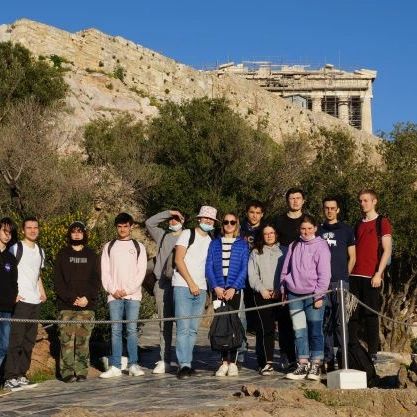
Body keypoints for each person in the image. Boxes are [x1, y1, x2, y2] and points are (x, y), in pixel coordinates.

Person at [280, 214, 331, 380]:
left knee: (315, 330)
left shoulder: (321, 246)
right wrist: (284, 287)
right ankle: (302, 363)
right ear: (299, 229)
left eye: (310, 228)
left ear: (315, 228)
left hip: (313, 295)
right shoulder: (294, 245)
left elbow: (324, 274)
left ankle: (316, 364)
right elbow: (285, 269)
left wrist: (319, 295)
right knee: (299, 331)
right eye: (303, 228)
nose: (306, 231)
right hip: (294, 294)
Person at [100, 212, 147, 379]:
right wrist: (113, 290)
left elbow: (141, 273)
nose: (122, 229)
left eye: (125, 226)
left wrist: (127, 290)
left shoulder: (138, 247)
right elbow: (105, 272)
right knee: (115, 330)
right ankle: (115, 366)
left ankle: (134, 364)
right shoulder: (109, 246)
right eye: (119, 226)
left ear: (131, 226)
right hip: (114, 296)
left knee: (132, 330)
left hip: (133, 296)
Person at [53, 221, 101, 383]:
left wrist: (87, 298)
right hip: (66, 307)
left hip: (86, 308)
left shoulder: (92, 255)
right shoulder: (62, 255)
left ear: (84, 234)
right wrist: (71, 299)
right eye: (73, 231)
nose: (77, 234)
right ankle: (67, 372)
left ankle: (81, 371)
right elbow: (58, 282)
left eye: (80, 231)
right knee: (67, 340)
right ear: (70, 234)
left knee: (82, 340)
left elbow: (96, 281)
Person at [173, 205, 217, 379]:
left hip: (202, 287)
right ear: (199, 219)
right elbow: (178, 259)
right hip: (184, 285)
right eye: (205, 218)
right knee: (183, 327)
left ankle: (188, 362)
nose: (208, 221)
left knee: (193, 329)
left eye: (211, 219)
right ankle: (182, 364)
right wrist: (191, 283)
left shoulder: (211, 239)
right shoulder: (187, 234)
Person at [4, 217, 47, 391]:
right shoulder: (16, 248)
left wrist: (42, 291)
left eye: (35, 227)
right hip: (21, 302)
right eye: (29, 228)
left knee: (29, 341)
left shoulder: (40, 251)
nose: (32, 230)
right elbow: (7, 273)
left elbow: (37, 274)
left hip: (35, 301)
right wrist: (12, 295)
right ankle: (10, 377)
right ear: (23, 230)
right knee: (16, 341)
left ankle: (21, 374)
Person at [349, 189, 392, 360]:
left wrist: (378, 273)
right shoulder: (358, 224)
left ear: (374, 201)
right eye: (360, 201)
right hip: (354, 275)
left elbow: (387, 250)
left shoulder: (382, 221)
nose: (362, 204)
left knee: (370, 315)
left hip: (371, 276)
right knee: (352, 314)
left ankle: (373, 351)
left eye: (366, 200)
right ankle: (351, 348)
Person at [206, 212, 249, 377]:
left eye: (232, 222)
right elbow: (209, 267)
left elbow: (244, 268)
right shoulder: (214, 244)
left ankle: (234, 361)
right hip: (218, 288)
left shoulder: (242, 245)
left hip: (235, 290)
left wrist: (234, 287)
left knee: (235, 324)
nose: (229, 225)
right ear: (222, 224)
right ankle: (224, 361)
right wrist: (216, 286)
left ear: (237, 224)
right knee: (221, 325)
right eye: (226, 222)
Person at [145, 209, 185, 374]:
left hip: (182, 284)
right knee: (164, 324)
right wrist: (168, 212)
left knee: (183, 324)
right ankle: (164, 359)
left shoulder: (188, 237)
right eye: (171, 219)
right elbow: (149, 223)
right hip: (163, 284)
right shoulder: (163, 236)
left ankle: (184, 361)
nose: (172, 221)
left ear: (183, 220)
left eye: (176, 218)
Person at [319, 197, 356, 371]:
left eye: (333, 208)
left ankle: (344, 357)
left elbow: (352, 256)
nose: (329, 211)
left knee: (341, 322)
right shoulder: (318, 230)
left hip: (340, 281)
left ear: (338, 210)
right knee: (325, 322)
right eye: (326, 208)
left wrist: (344, 275)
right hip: (321, 283)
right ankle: (328, 359)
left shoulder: (346, 230)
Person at [274, 188, 307, 368]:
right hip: (283, 270)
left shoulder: (307, 221)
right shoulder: (279, 220)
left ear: (303, 201)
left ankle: (305, 355)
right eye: (292, 198)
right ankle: (288, 356)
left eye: (298, 198)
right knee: (285, 317)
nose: (295, 201)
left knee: (303, 318)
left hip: (304, 274)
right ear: (287, 201)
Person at [248, 224, 285, 375]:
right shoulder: (256, 252)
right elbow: (252, 274)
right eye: (266, 233)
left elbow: (287, 271)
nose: (269, 236)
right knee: (266, 329)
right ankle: (266, 361)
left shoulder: (284, 251)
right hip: (262, 295)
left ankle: (288, 359)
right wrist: (262, 289)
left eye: (271, 233)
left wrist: (280, 289)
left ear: (276, 234)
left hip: (280, 295)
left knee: (285, 329)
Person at [238, 199, 266, 366]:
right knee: (241, 318)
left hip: (259, 280)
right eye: (251, 212)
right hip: (241, 279)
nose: (254, 216)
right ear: (247, 213)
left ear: (262, 214)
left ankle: (262, 356)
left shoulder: (266, 231)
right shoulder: (238, 229)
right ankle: (240, 353)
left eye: (258, 213)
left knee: (261, 320)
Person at [0, 218, 18, 370]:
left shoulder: (10, 258)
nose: (7, 235)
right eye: (4, 232)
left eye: (10, 233)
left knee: (5, 345)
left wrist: (14, 295)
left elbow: (14, 282)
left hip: (6, 308)